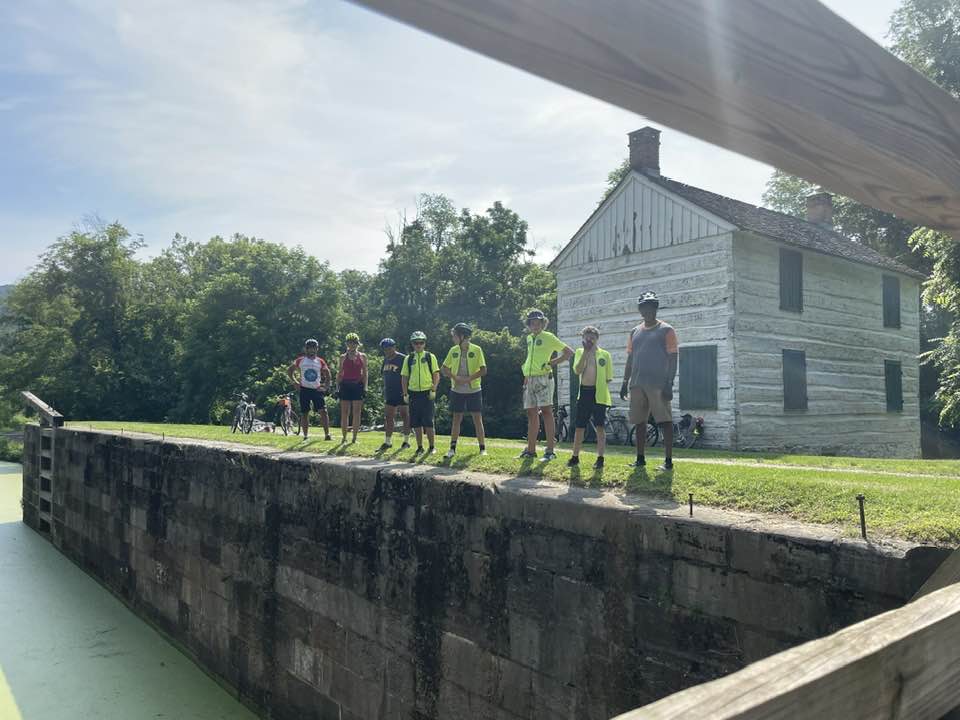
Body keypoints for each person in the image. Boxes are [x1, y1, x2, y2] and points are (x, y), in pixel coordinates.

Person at [620, 291, 678, 470]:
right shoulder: (634, 331)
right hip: (637, 383)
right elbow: (630, 358)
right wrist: (624, 382)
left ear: (656, 308)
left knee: (665, 420)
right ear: (640, 309)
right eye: (644, 306)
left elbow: (673, 357)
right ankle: (640, 458)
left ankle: (668, 461)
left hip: (658, 383)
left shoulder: (666, 330)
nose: (648, 310)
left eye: (651, 306)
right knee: (639, 422)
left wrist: (669, 383)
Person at [519, 309, 573, 461]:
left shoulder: (548, 337)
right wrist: (526, 378)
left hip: (544, 378)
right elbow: (531, 358)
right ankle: (530, 450)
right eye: (532, 323)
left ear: (543, 323)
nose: (535, 326)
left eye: (538, 323)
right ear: (529, 325)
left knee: (547, 411)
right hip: (530, 378)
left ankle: (550, 451)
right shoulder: (529, 338)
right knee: (531, 413)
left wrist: (551, 363)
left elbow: (568, 352)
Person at [568, 326, 613, 469]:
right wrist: (585, 353)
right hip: (584, 393)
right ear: (583, 339)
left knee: (600, 426)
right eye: (587, 338)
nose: (589, 340)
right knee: (579, 426)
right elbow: (577, 370)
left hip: (599, 394)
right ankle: (575, 457)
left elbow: (608, 377)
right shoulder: (579, 352)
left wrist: (600, 389)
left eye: (592, 338)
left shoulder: (605, 354)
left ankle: (600, 458)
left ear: (597, 339)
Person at [441, 323, 487, 458]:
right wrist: (455, 377)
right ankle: (452, 449)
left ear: (462, 336)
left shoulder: (477, 349)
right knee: (456, 419)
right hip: (457, 389)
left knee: (477, 418)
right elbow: (444, 368)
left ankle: (482, 449)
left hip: (474, 389)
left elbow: (484, 370)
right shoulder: (453, 350)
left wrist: (468, 379)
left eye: (454, 335)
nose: (453, 338)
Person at [400, 330, 440, 454]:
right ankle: (420, 447)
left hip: (427, 392)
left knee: (428, 421)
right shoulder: (408, 358)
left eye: (421, 342)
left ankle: (432, 447)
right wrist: (405, 393)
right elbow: (404, 377)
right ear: (412, 344)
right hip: (413, 393)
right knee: (416, 422)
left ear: (424, 343)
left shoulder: (430, 356)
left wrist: (434, 389)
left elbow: (436, 374)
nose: (418, 345)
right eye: (416, 343)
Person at [287, 338, 332, 441]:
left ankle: (327, 434)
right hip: (304, 389)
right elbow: (290, 370)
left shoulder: (320, 361)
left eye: (314, 348)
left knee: (323, 411)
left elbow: (327, 374)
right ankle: (305, 436)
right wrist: (295, 382)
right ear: (306, 349)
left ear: (317, 349)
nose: (312, 350)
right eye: (309, 348)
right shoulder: (300, 360)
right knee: (305, 412)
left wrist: (326, 386)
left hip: (316, 389)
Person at [378, 338, 411, 450]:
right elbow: (383, 375)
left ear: (394, 347)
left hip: (402, 391)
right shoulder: (385, 360)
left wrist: (407, 392)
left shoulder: (403, 358)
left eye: (389, 348)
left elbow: (408, 375)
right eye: (385, 349)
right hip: (389, 393)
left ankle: (406, 441)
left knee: (405, 415)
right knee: (388, 417)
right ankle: (387, 442)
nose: (387, 351)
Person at [337, 332, 368, 444]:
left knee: (356, 412)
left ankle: (354, 437)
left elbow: (365, 373)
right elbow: (339, 373)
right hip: (345, 385)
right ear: (347, 344)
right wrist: (337, 388)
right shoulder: (342, 357)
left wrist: (365, 387)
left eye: (354, 343)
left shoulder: (362, 356)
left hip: (357, 385)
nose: (352, 345)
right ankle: (344, 437)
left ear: (357, 344)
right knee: (345, 412)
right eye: (350, 342)